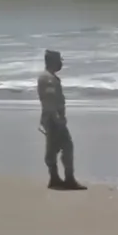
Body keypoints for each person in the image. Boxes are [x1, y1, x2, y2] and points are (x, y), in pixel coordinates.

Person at [36, 50, 86, 190]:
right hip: (54, 119)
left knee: (53, 149)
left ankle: (55, 178)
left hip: (51, 118)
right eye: (59, 61)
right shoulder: (48, 78)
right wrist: (58, 119)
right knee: (66, 147)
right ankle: (67, 179)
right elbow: (49, 100)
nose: (61, 63)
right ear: (52, 61)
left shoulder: (48, 77)